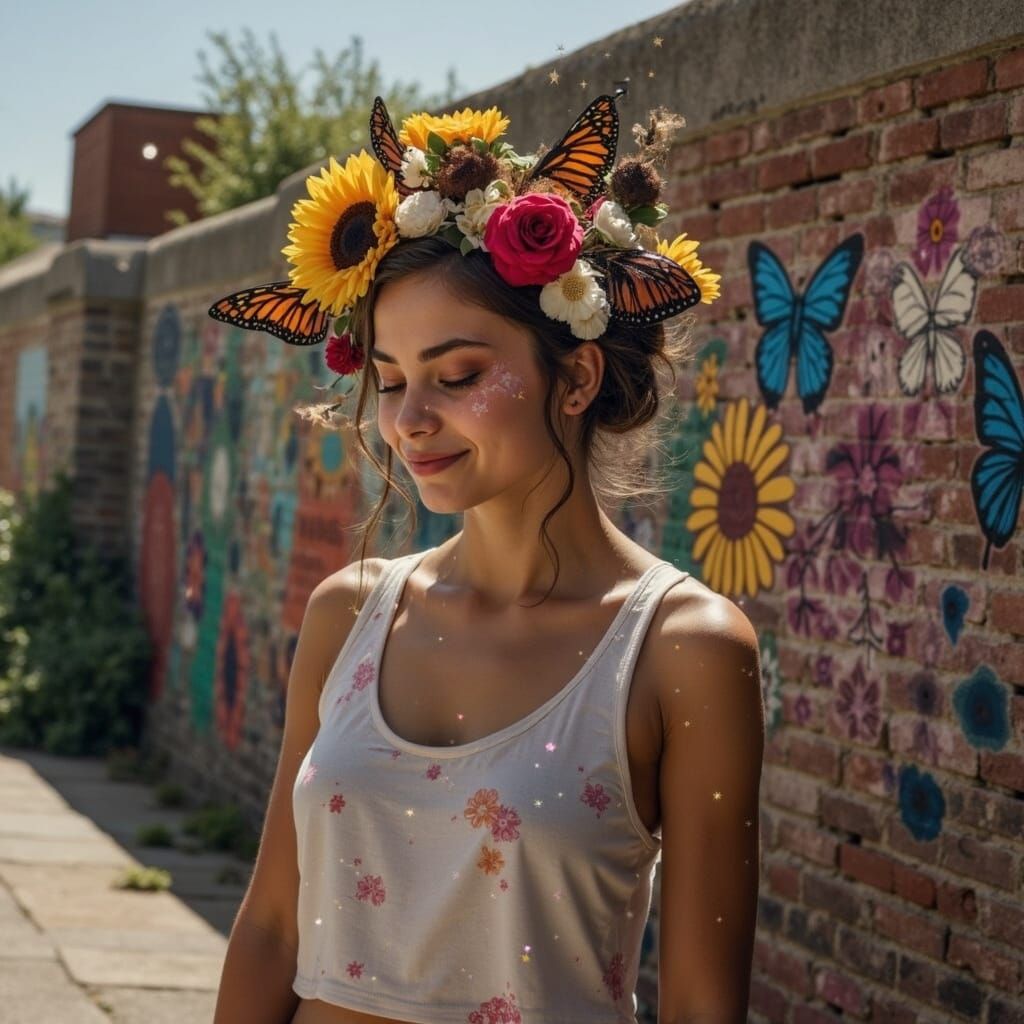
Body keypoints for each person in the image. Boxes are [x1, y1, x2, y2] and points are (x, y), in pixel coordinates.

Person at [211, 92, 763, 1024]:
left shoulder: (684, 650)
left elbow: (705, 1006)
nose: (410, 420)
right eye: (389, 381)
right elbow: (272, 926)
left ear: (576, 375)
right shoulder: (349, 613)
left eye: (458, 376)